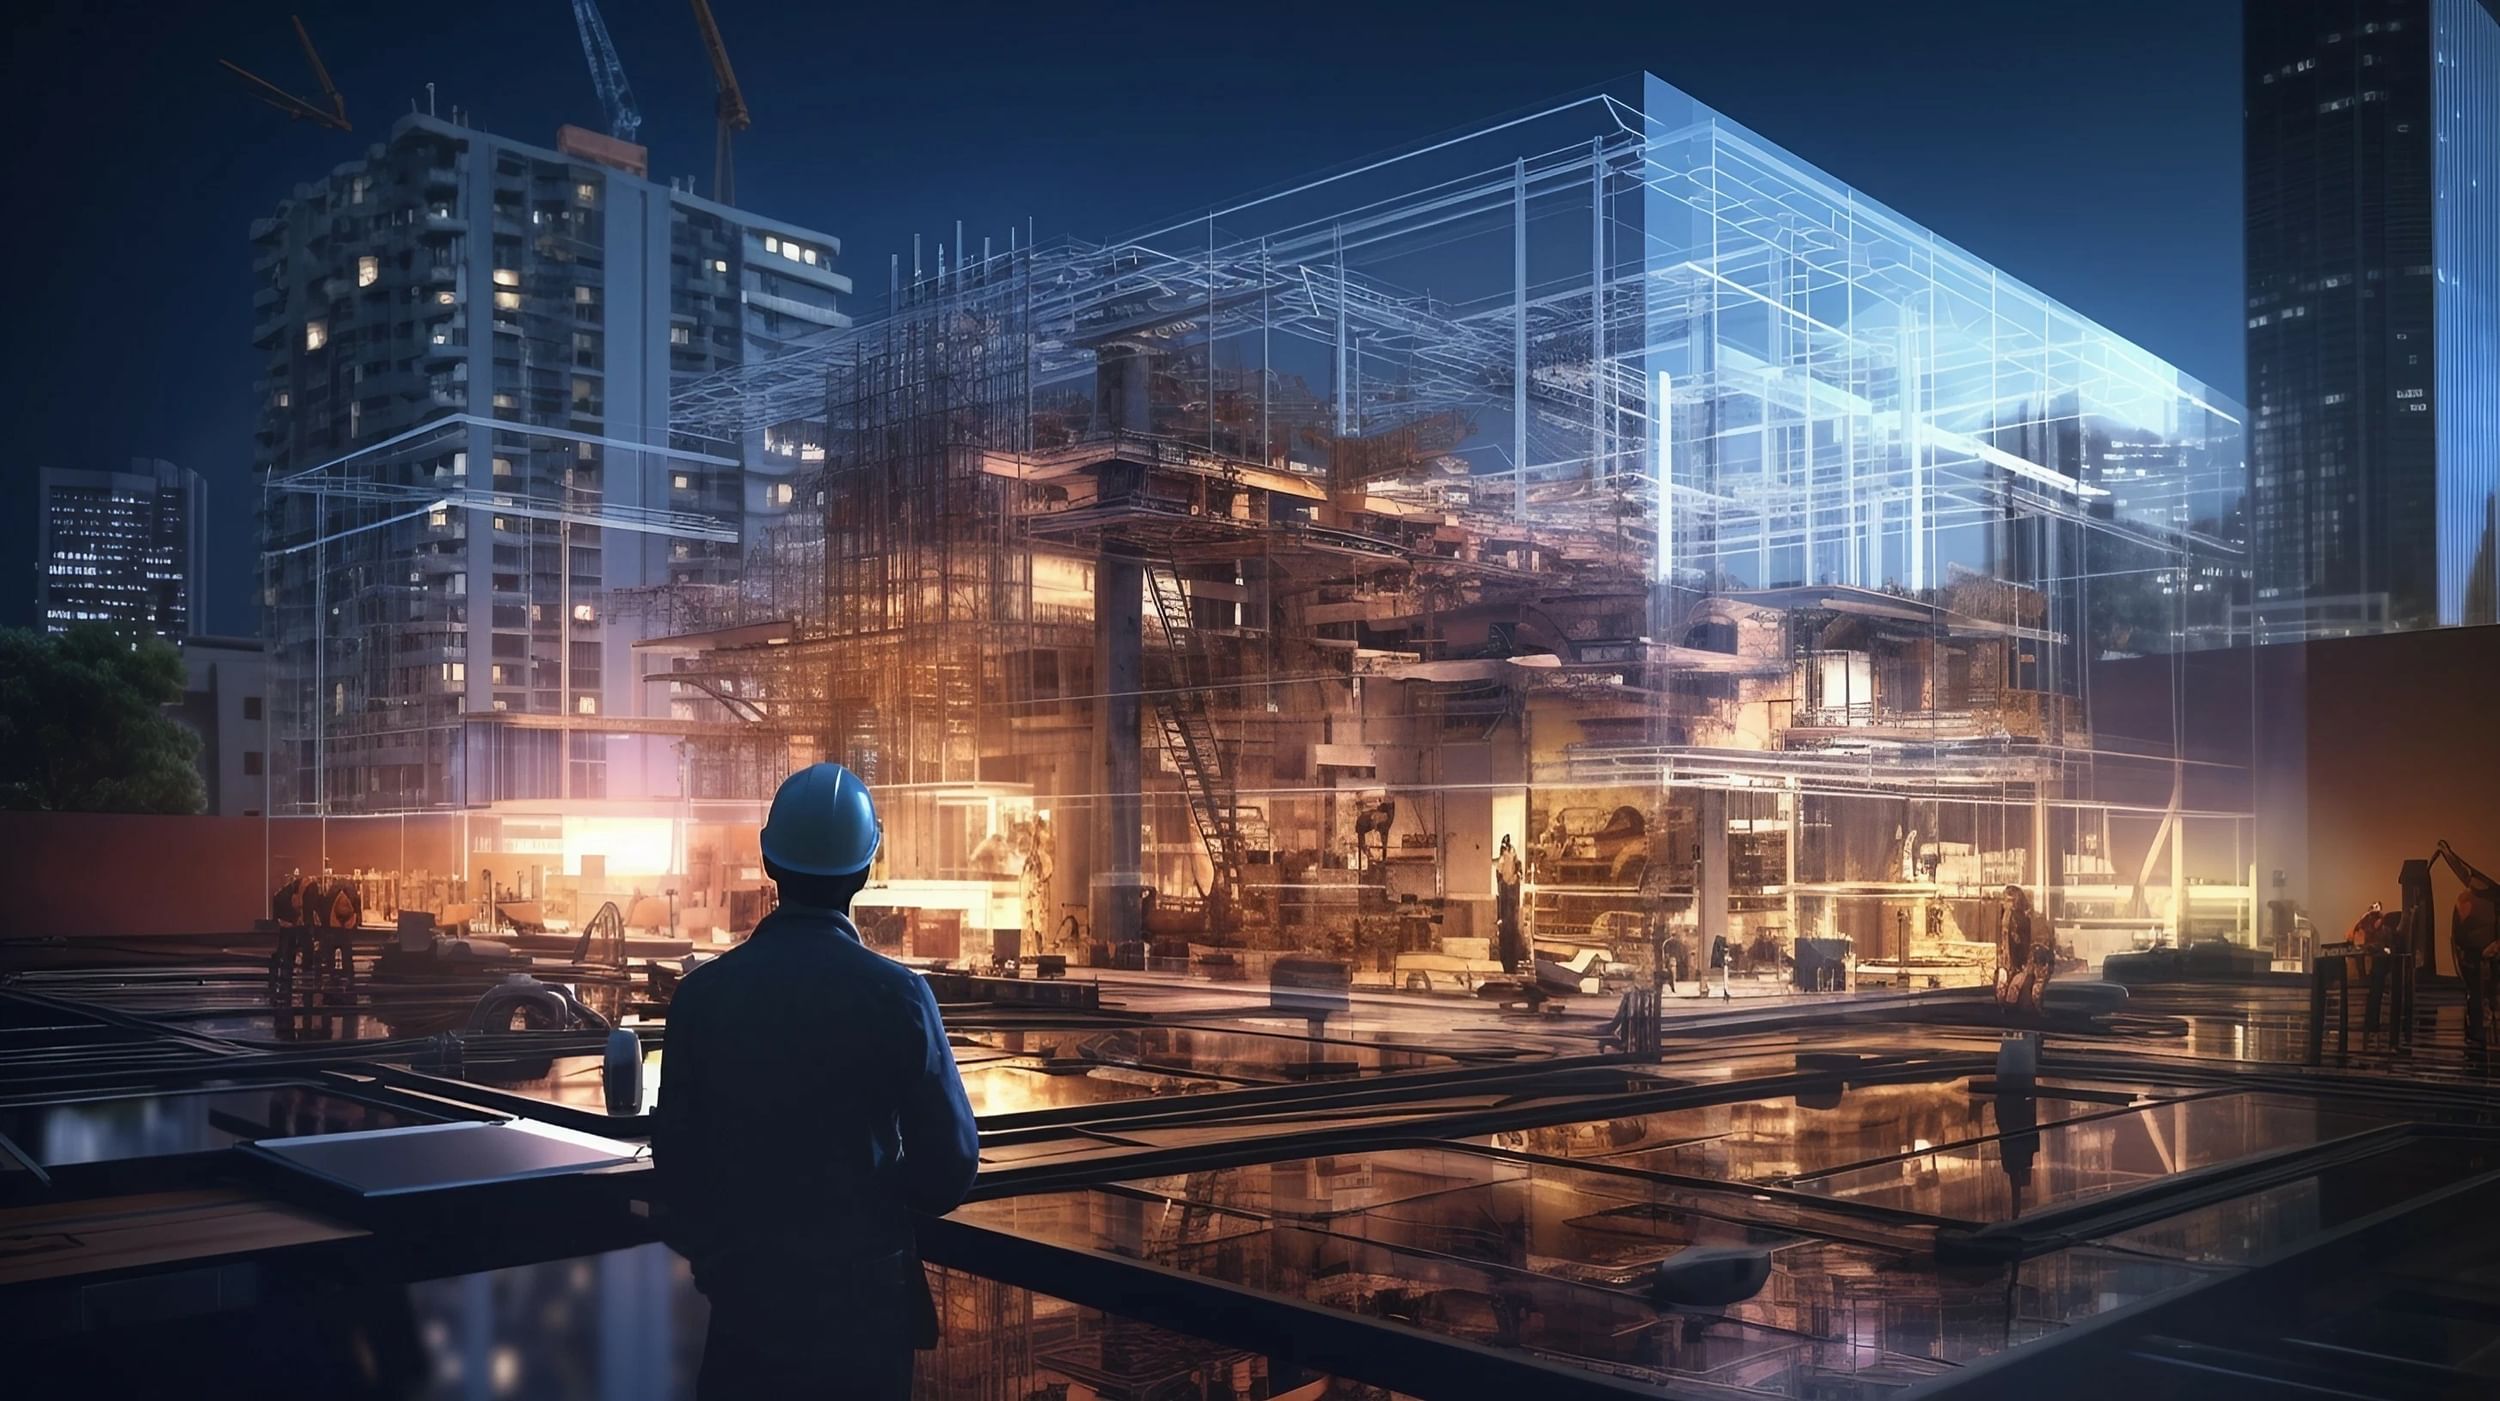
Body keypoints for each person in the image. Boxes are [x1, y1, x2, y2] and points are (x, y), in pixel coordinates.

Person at [653, 763, 981, 1400]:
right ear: (864, 871)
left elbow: (679, 1171)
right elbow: (950, 1168)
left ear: (770, 865)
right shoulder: (900, 997)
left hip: (746, 1313)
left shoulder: (700, 999)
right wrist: (869, 1193)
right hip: (862, 1323)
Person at [1493, 835, 1526, 973]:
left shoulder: (1510, 862)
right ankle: (1509, 964)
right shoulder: (1507, 862)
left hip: (1509, 908)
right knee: (1509, 931)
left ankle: (1510, 964)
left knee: (1510, 931)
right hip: (1508, 909)